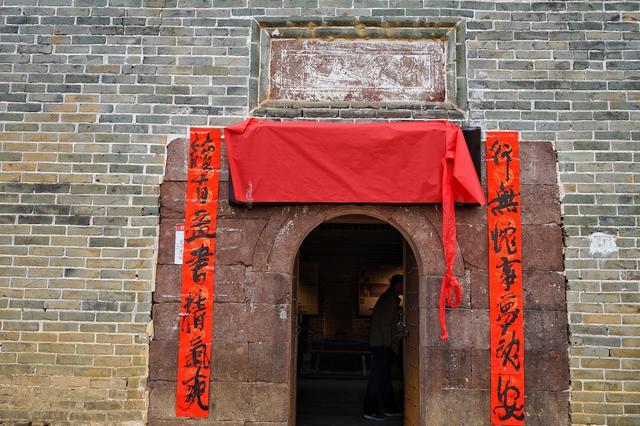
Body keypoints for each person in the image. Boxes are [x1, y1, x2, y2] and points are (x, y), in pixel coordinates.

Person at [363, 274, 404, 422]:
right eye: (403, 284)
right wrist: (393, 344)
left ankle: (390, 407)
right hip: (382, 344)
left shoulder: (389, 298)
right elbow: (386, 326)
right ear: (397, 285)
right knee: (377, 377)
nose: (404, 288)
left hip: (382, 343)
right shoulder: (389, 300)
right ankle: (369, 409)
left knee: (385, 377)